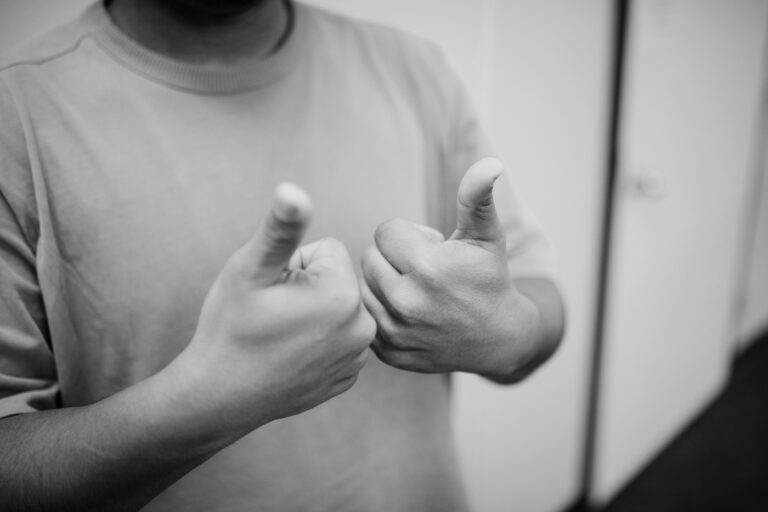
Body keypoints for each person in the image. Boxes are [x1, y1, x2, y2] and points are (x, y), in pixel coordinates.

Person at [0, 0, 565, 510]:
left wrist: (506, 333)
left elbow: (540, 299)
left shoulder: (416, 69)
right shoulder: (17, 114)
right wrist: (210, 401)